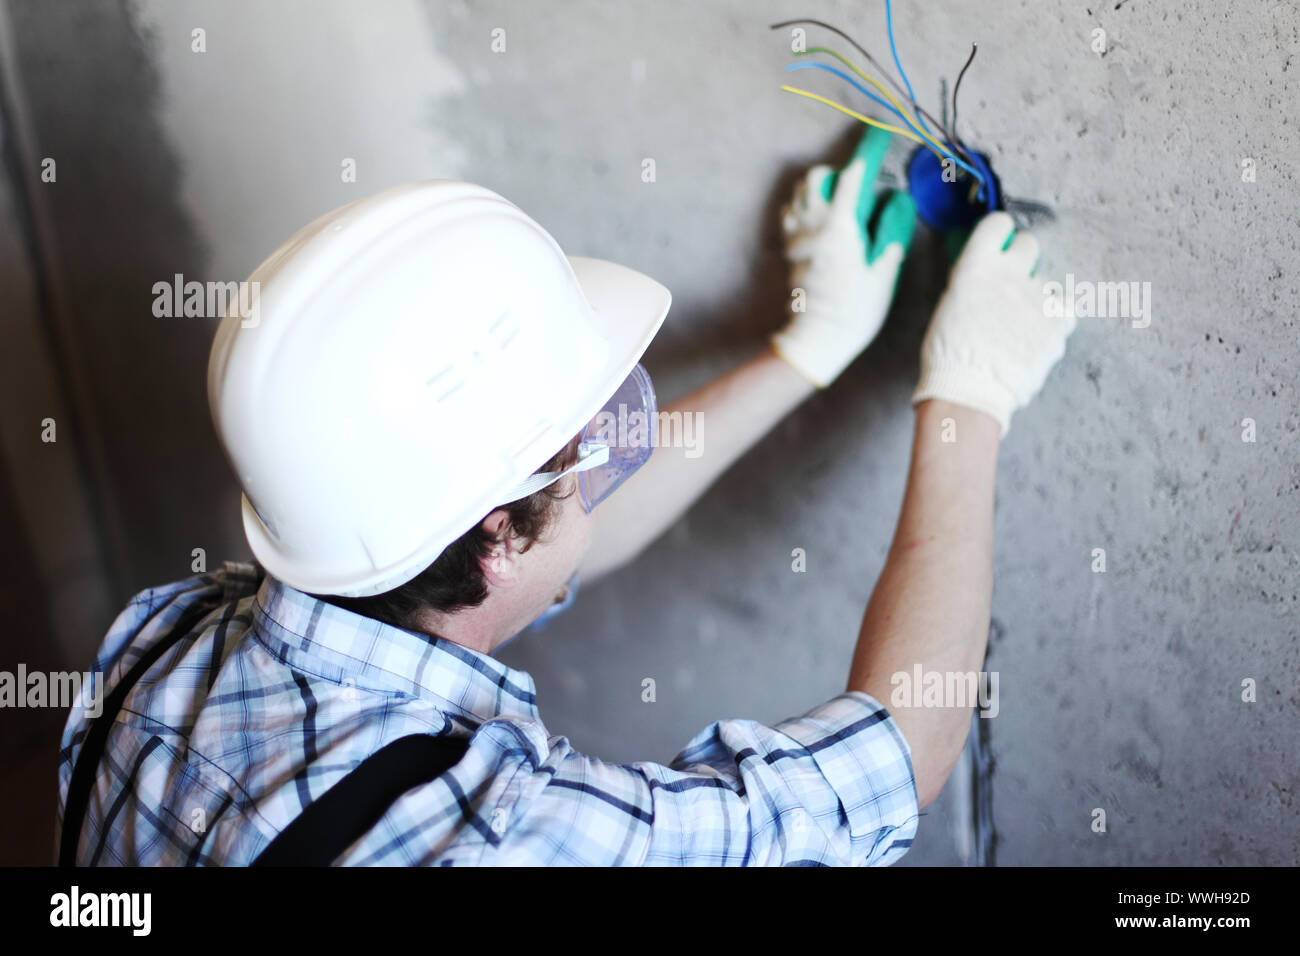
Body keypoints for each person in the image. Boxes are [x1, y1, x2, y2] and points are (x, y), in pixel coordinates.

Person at [57, 129, 1074, 866]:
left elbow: (560, 540)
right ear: (493, 536)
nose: (612, 448)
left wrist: (805, 353)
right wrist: (966, 397)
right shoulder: (501, 835)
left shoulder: (165, 643)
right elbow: (894, 763)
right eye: (593, 436)